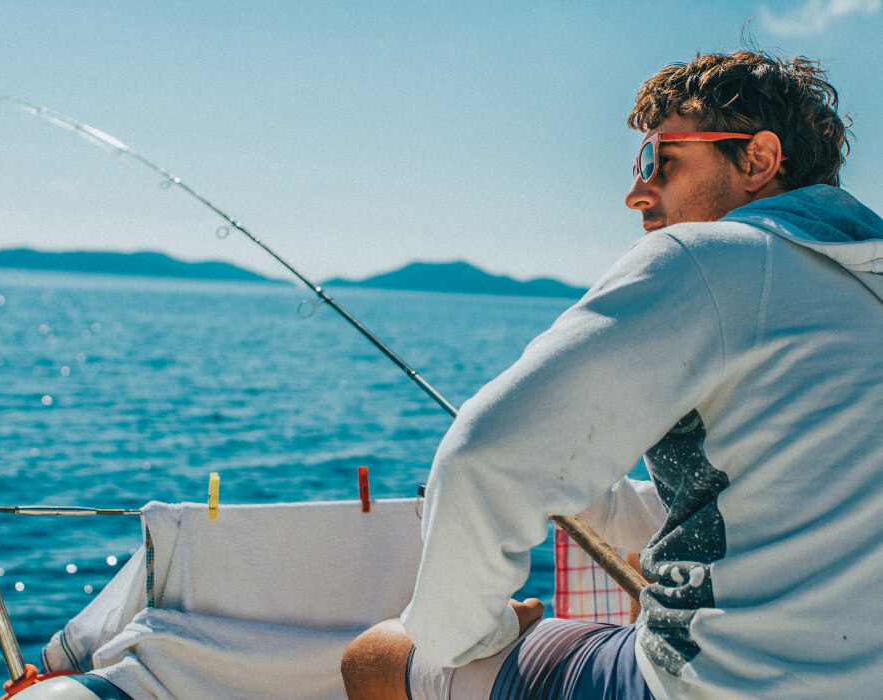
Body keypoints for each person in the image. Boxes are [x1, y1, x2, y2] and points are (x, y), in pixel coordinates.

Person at [340, 50, 883, 699]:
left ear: (759, 159)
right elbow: (781, 489)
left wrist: (467, 638)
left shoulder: (713, 257)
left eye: (660, 159)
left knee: (374, 657)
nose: (636, 191)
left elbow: (483, 458)